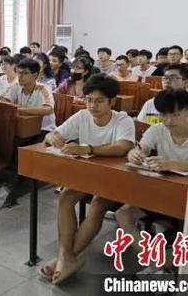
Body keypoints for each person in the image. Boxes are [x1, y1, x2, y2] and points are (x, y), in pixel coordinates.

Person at [41, 74, 135, 284]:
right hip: (89, 177)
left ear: (112, 101)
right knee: (66, 196)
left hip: (117, 180)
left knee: (98, 204)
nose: (93, 106)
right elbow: (52, 134)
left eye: (99, 101)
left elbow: (123, 147)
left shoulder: (123, 120)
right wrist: (52, 137)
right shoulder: (82, 116)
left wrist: (88, 148)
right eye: (89, 100)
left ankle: (65, 258)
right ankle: (66, 257)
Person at [115, 89, 188, 273]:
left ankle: (161, 266)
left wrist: (174, 164)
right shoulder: (158, 129)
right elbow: (141, 147)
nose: (169, 121)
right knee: (123, 214)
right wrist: (134, 153)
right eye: (163, 115)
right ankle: (156, 264)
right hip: (162, 193)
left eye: (175, 115)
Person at [0, 59, 56, 208]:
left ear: (35, 75)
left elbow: (48, 109)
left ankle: (8, 189)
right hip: (21, 129)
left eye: (25, 73)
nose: (21, 76)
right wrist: (12, 106)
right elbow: (3, 101)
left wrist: (19, 109)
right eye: (19, 72)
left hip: (44, 131)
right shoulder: (17, 86)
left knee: (20, 149)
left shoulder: (43, 88)